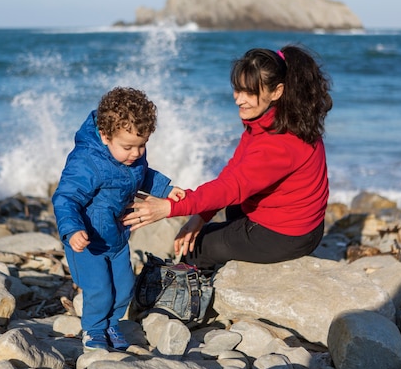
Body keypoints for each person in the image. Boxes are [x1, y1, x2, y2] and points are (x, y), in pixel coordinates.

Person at [122, 45, 332, 271]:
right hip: (303, 224)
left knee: (197, 247)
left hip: (290, 235)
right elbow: (235, 169)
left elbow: (232, 187)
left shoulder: (279, 141)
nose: (239, 100)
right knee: (231, 210)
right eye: (238, 90)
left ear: (277, 91)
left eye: (250, 93)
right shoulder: (276, 118)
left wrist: (169, 207)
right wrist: (200, 216)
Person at [52, 86, 185, 352]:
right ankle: (93, 330)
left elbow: (142, 173)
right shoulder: (86, 161)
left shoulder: (131, 155)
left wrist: (165, 189)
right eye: (128, 147)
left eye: (142, 145)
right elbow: (66, 198)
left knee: (124, 287)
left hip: (117, 237)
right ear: (105, 136)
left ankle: (112, 323)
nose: (135, 153)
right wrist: (73, 230)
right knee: (99, 289)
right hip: (87, 241)